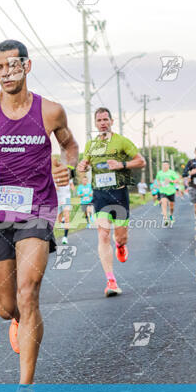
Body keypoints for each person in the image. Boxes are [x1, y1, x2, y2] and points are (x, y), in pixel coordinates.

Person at [0, 39, 79, 386]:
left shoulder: (51, 111)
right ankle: (18, 320)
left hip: (37, 208)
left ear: (27, 66)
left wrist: (68, 166)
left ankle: (26, 386)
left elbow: (69, 146)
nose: (6, 73)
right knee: (7, 306)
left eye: (12, 65)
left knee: (28, 291)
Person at [77, 108, 145, 297]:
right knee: (103, 234)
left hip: (119, 194)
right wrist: (82, 166)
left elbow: (141, 162)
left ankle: (121, 246)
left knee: (120, 237)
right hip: (100, 195)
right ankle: (111, 280)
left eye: (106, 119)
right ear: (95, 123)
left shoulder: (121, 141)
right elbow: (85, 164)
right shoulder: (91, 144)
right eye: (99, 120)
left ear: (112, 121)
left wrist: (121, 165)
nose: (103, 123)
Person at [156, 161, 178, 227]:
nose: (165, 166)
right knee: (164, 203)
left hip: (171, 191)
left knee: (172, 206)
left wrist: (171, 181)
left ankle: (171, 215)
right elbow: (157, 179)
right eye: (164, 165)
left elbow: (177, 180)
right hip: (163, 191)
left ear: (168, 166)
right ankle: (165, 219)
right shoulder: (159, 173)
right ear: (162, 166)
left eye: (166, 165)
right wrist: (159, 183)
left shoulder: (172, 172)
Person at [55, 172, 74, 245]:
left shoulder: (68, 177)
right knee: (59, 220)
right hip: (58, 200)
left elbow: (72, 185)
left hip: (67, 199)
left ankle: (65, 237)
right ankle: (63, 222)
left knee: (67, 217)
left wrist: (73, 189)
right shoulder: (55, 177)